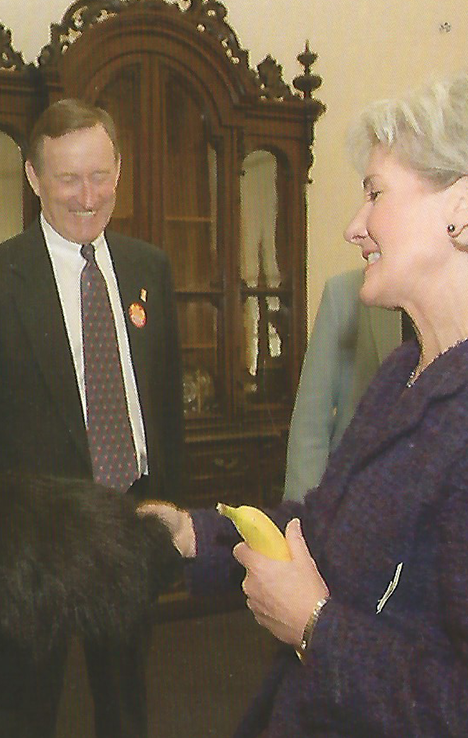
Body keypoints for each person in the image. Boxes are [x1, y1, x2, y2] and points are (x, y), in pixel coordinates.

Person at [141, 71, 468, 736]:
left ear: (461, 207)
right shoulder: (403, 372)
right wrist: (192, 532)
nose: (354, 226)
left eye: (375, 192)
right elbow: (316, 528)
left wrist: (317, 626)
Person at [0, 98, 184, 738]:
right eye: (68, 178)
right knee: (19, 713)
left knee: (127, 710)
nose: (87, 195)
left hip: (128, 522)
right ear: (33, 177)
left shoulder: (148, 267)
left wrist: (170, 510)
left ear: (120, 170)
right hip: (29, 546)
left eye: (99, 175)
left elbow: (162, 405)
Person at [283, 268, 402, 501]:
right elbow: (311, 424)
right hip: (359, 502)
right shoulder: (346, 292)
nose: (354, 233)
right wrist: (302, 519)